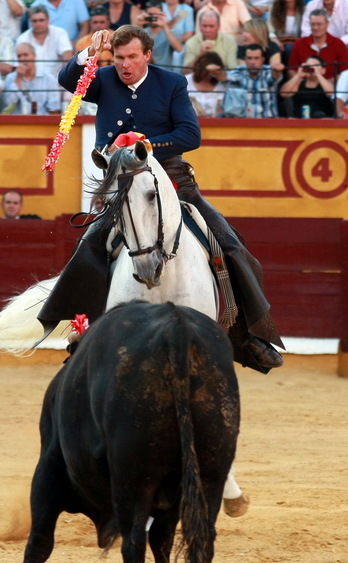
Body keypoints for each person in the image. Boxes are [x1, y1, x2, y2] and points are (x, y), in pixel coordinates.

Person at [47, 25, 284, 373]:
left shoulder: (171, 83)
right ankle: (84, 331)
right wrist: (91, 53)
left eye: (131, 57)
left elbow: (190, 134)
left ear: (147, 55)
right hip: (120, 183)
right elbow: (68, 80)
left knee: (228, 242)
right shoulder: (105, 78)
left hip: (172, 179)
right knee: (90, 245)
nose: (124, 65)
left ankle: (248, 335)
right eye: (119, 57)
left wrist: (141, 146)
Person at [212, 43, 284, 116]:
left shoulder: (268, 71)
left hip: (268, 123)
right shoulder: (240, 71)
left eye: (256, 58)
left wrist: (277, 70)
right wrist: (215, 71)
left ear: (263, 59)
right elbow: (225, 77)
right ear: (245, 59)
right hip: (244, 124)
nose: (252, 62)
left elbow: (274, 77)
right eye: (249, 58)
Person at [16, 5, 73, 83]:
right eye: (34, 21)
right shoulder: (22, 39)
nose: (38, 24)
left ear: (48, 20)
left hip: (57, 82)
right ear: (30, 21)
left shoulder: (60, 33)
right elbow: (19, 65)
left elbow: (67, 54)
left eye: (41, 20)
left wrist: (67, 74)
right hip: (31, 83)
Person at [288, 9, 348, 80]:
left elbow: (344, 73)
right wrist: (304, 85)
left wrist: (327, 85)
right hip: (304, 87)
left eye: (319, 24)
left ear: (327, 24)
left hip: (330, 87)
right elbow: (291, 70)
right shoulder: (299, 44)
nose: (316, 28)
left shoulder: (338, 44)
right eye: (313, 24)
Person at [3, 42, 61, 113]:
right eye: (19, 56)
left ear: (34, 56)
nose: (22, 59)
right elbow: (8, 104)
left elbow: (54, 109)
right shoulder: (11, 78)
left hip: (42, 121)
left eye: (25, 55)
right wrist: (19, 78)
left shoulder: (48, 79)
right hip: (18, 122)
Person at [135, 0, 184, 70]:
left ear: (162, 14)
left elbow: (179, 49)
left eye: (156, 14)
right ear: (145, 14)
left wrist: (165, 26)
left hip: (165, 72)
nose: (153, 17)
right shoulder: (142, 32)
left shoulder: (171, 33)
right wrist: (138, 25)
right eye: (150, 14)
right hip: (145, 72)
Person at [186, 50, 227, 115]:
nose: (209, 74)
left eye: (213, 72)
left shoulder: (222, 85)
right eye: (207, 71)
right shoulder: (185, 81)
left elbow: (221, 111)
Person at [267, 0, 304, 65]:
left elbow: (305, 32)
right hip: (279, 41)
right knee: (274, 47)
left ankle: (288, 73)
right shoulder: (274, 8)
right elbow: (270, 30)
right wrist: (275, 41)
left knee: (289, 48)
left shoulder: (303, 9)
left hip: (296, 42)